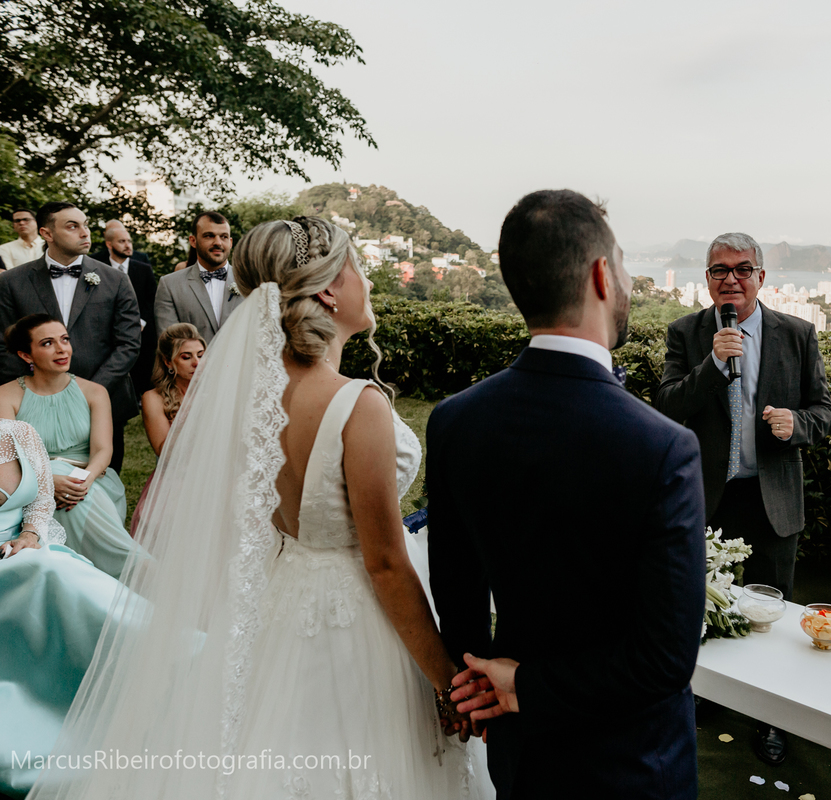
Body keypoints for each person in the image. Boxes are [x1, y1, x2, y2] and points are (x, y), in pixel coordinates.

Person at [27, 216, 490, 800]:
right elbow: (386, 564)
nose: (365, 282)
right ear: (328, 289)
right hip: (359, 622)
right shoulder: (357, 403)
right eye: (357, 269)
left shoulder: (246, 398)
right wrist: (447, 682)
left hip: (280, 600)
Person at [428, 190, 707, 799]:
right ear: (602, 275)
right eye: (626, 265)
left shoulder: (456, 421)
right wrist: (525, 685)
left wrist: (484, 687)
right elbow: (665, 661)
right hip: (631, 763)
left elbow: (458, 596)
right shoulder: (664, 446)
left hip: (521, 753)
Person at [654, 232, 831, 767]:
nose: (730, 279)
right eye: (718, 271)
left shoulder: (798, 333)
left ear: (761, 276)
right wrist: (711, 366)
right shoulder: (686, 334)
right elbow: (665, 407)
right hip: (707, 499)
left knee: (772, 612)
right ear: (706, 279)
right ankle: (709, 697)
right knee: (706, 609)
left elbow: (825, 410)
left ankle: (772, 719)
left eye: (741, 268)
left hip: (772, 498)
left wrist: (796, 423)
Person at [0, 419, 124, 797]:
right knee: (45, 572)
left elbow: (40, 500)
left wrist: (30, 535)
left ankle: (151, 651)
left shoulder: (18, 433)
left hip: (30, 547)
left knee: (58, 571)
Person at [0, 202, 142, 474]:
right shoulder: (12, 282)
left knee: (99, 482)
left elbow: (129, 343)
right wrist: (32, 390)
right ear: (47, 233)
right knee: (34, 482)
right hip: (32, 403)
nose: (84, 233)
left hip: (102, 398)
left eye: (85, 225)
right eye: (72, 226)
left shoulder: (116, 280)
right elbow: (3, 345)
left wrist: (89, 393)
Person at [0, 314, 136, 580]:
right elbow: (8, 458)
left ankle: (110, 572)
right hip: (32, 483)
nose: (62, 349)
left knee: (76, 498)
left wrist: (81, 482)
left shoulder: (95, 391)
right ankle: (125, 570)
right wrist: (48, 482)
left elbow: (102, 451)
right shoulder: (6, 395)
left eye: (65, 339)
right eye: (48, 343)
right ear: (26, 355)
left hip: (87, 482)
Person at [129, 323, 204, 536]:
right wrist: (191, 407)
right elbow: (165, 452)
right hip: (177, 478)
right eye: (186, 357)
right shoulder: (153, 398)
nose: (197, 363)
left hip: (214, 473)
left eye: (200, 355)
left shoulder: (218, 392)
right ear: (168, 362)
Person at [154, 211, 243, 342]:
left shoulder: (250, 282)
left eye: (224, 237)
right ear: (193, 241)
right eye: (209, 236)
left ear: (230, 242)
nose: (218, 242)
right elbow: (170, 343)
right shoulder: (170, 285)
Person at [92, 220, 158, 395]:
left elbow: (151, 298)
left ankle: (141, 395)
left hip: (141, 328)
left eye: (129, 241)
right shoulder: (95, 264)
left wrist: (141, 321)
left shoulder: (143, 267)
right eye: (122, 242)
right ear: (109, 244)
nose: (128, 245)